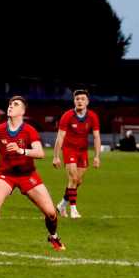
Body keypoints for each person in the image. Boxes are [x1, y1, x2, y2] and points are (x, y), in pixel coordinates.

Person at [0, 96, 65, 252]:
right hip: (6, 175)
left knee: (51, 212)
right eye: (9, 104)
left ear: (22, 111)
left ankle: (53, 237)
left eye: (15, 105)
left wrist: (21, 150)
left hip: (28, 175)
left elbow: (40, 153)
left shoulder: (29, 130)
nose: (10, 106)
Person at [53, 89, 101, 219]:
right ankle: (73, 209)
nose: (80, 101)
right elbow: (60, 137)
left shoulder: (93, 116)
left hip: (82, 151)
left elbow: (96, 137)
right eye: (77, 99)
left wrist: (97, 156)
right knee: (73, 178)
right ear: (74, 101)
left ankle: (62, 204)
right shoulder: (67, 116)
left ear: (87, 102)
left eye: (82, 99)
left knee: (77, 181)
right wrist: (56, 156)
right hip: (69, 150)